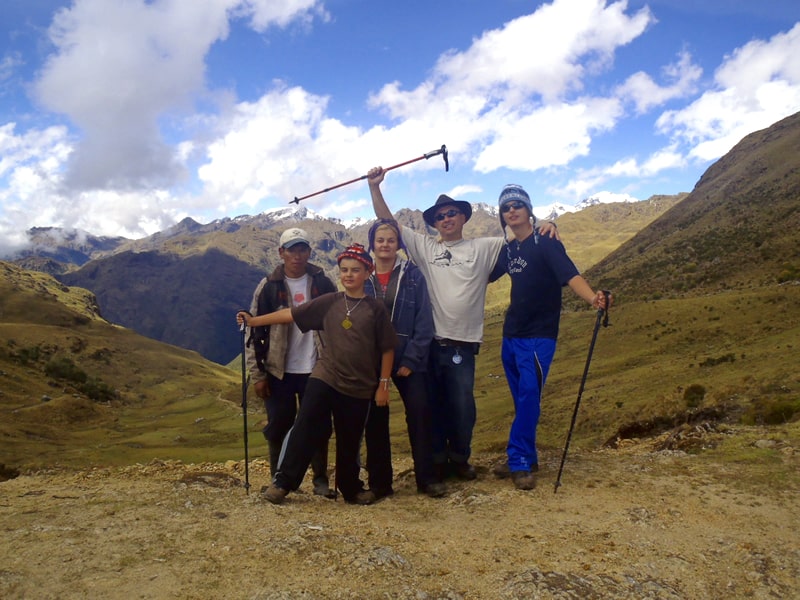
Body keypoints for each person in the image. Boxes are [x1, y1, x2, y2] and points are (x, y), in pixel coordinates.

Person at [366, 167, 558, 481]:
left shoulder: (485, 247)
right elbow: (387, 223)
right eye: (440, 216)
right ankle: (438, 463)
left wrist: (546, 224)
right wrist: (375, 187)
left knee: (462, 407)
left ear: (463, 217)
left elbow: (523, 237)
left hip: (462, 345)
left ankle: (460, 459)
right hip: (428, 344)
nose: (446, 219)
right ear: (434, 223)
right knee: (432, 407)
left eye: (452, 213)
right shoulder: (426, 248)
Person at [237, 243, 397, 505]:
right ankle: (283, 483)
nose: (348, 275)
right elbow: (289, 314)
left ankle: (351, 490)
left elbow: (387, 348)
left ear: (367, 273)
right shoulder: (330, 302)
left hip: (360, 385)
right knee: (305, 426)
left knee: (349, 439)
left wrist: (383, 384)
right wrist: (254, 321)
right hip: (325, 376)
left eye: (355, 270)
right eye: (344, 269)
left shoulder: (375, 309)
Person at [489, 184, 610, 490]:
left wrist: (591, 299)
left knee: (530, 395)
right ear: (502, 216)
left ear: (528, 209)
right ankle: (527, 457)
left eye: (517, 205)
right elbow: (483, 273)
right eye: (506, 208)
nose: (512, 210)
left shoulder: (546, 241)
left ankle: (517, 461)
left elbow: (570, 275)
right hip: (511, 334)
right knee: (522, 399)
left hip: (539, 335)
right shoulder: (509, 248)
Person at [244, 227, 336, 497]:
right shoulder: (269, 286)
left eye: (302, 249)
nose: (297, 255)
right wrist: (258, 375)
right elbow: (253, 331)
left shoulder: (323, 283)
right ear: (281, 253)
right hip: (278, 370)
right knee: (279, 425)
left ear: (309, 251)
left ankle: (321, 481)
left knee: (318, 424)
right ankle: (279, 480)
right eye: (292, 249)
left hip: (316, 367)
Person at [362, 218, 447, 499]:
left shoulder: (413, 274)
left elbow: (425, 320)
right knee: (375, 420)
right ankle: (380, 483)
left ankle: (427, 478)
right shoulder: (363, 276)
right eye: (380, 240)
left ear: (398, 243)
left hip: (411, 360)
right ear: (372, 244)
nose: (385, 245)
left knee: (421, 416)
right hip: (373, 362)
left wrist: (411, 360)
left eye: (391, 240)